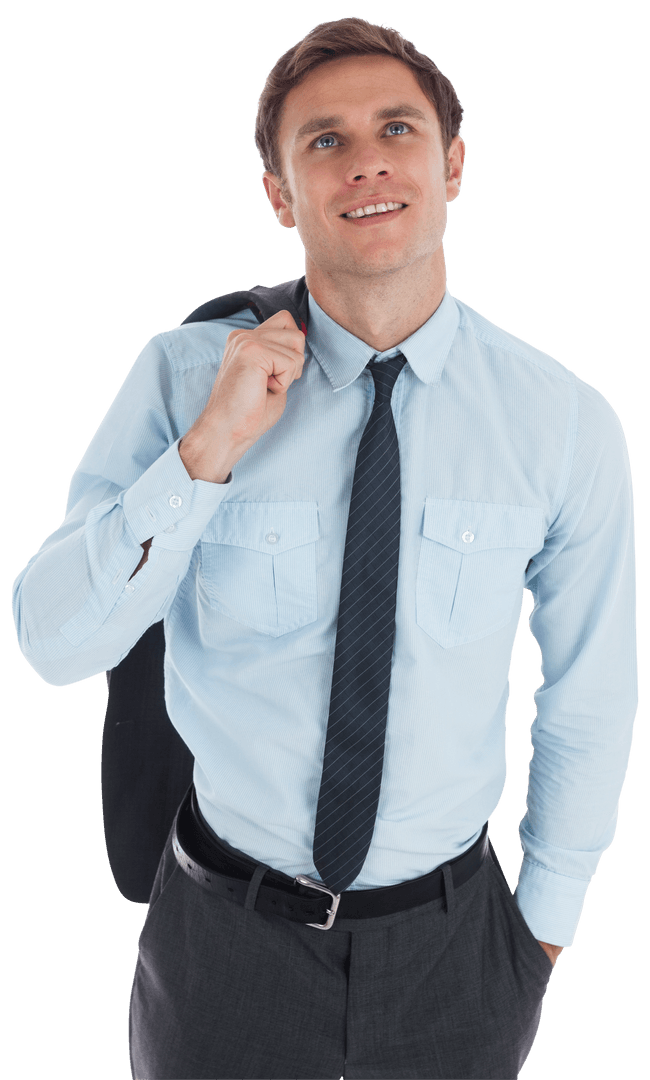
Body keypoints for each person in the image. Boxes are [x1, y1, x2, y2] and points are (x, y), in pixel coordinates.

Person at [11, 14, 638, 1080]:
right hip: (221, 942)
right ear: (277, 193)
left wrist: (539, 933)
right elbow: (52, 643)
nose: (365, 161)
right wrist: (210, 450)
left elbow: (586, 695)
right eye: (322, 141)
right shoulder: (181, 377)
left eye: (395, 128)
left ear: (449, 166)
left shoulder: (560, 421)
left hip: (457, 950)